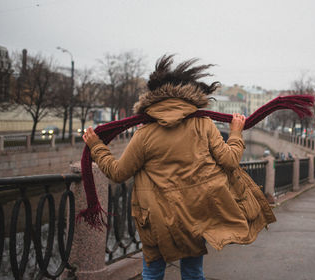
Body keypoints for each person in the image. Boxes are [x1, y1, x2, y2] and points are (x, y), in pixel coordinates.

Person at [82, 55, 273, 280]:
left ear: (152, 97)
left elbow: (118, 173)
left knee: (152, 272)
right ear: (188, 92)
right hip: (196, 213)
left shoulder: (144, 134)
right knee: (193, 272)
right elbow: (229, 161)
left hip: (156, 218)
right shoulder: (203, 124)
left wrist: (96, 146)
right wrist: (235, 134)